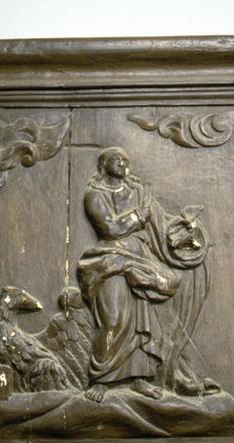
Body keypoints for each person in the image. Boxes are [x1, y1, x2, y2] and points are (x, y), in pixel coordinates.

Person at [77, 147, 210, 402]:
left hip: (141, 259)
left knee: (143, 321)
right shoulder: (95, 194)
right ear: (103, 164)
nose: (122, 162)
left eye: (125, 159)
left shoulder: (138, 192)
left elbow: (159, 221)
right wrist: (139, 215)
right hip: (110, 259)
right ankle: (101, 378)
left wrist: (184, 228)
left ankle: (140, 378)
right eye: (116, 158)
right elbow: (110, 228)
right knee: (113, 319)